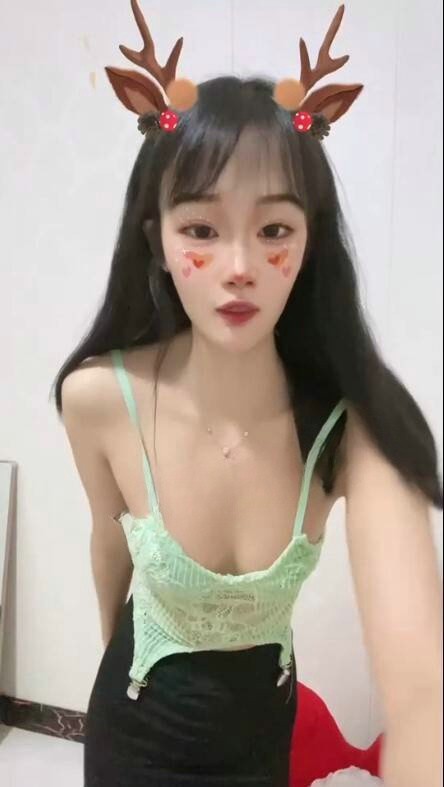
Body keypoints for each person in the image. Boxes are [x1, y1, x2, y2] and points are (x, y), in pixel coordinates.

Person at [51, 3, 443, 786]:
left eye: (273, 231)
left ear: (309, 242)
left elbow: (423, 692)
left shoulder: (350, 427)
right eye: (202, 229)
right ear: (158, 240)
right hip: (133, 733)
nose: (240, 267)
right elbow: (106, 539)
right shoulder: (98, 398)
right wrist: (107, 659)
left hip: (263, 734)